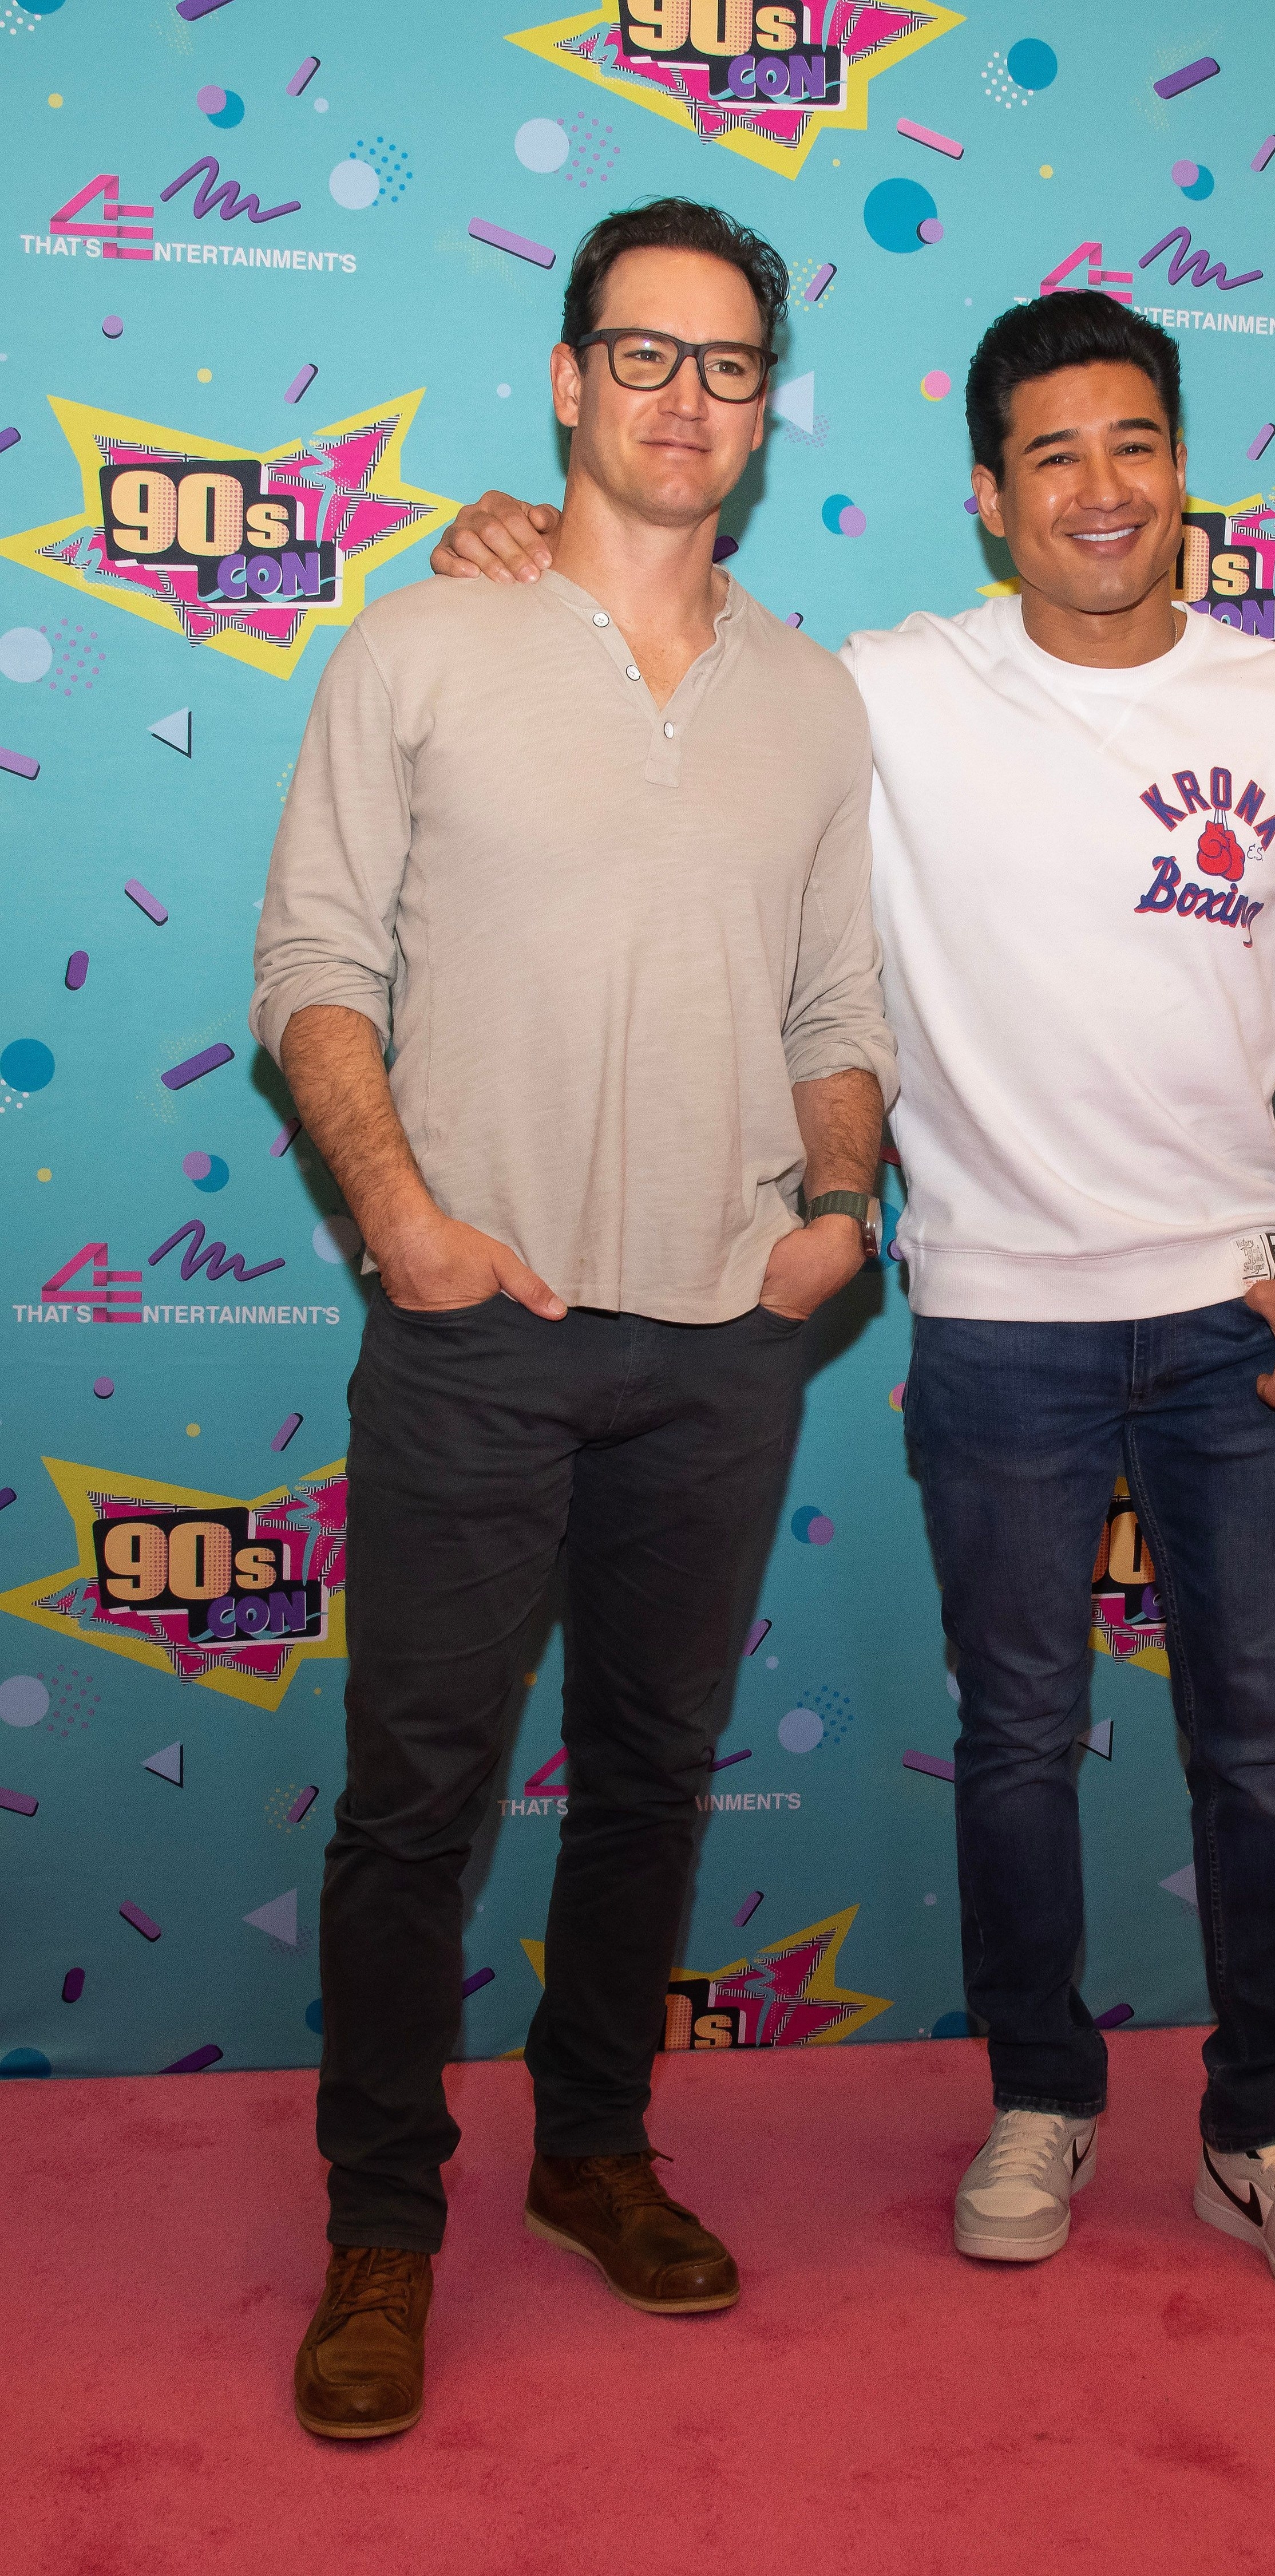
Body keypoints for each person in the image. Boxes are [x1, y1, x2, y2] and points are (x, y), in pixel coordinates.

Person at [432, 288, 1275, 2311]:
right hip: (992, 1325)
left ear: (1181, 469)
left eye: (1132, 442)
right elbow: (677, 631)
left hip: (1251, 1319)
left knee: (1255, 1745)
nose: (1098, 485)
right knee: (1019, 1743)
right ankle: (1041, 2098)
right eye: (1051, 452)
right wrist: (527, 545)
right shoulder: (885, 689)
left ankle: (1264, 2126)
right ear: (988, 495)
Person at [254, 197, 896, 2441]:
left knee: (647, 1783)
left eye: (728, 366)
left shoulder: (817, 702)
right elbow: (313, 966)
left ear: (765, 403)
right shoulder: (422, 646)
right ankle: (383, 2227)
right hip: (476, 1325)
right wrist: (407, 1223)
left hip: (730, 1334)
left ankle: (596, 2155)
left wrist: (841, 1199)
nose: (683, 400)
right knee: (415, 1798)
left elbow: (839, 1005)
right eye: (645, 354)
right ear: (564, 372)